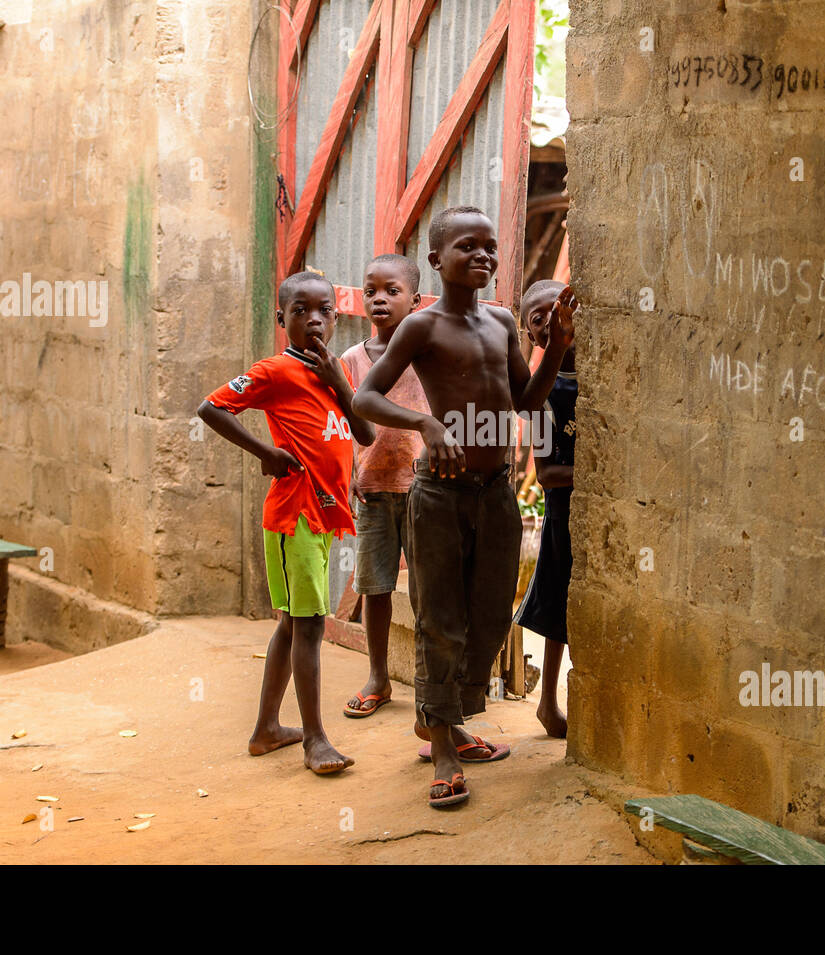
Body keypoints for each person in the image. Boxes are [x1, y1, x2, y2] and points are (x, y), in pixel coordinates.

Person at [352, 206, 576, 808]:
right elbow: (366, 396)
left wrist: (555, 348)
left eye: (490, 248)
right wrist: (427, 423)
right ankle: (444, 751)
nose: (482, 256)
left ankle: (445, 718)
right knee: (440, 618)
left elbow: (527, 401)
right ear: (436, 260)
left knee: (489, 615)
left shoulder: (503, 322)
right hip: (439, 496)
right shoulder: (422, 328)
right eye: (467, 247)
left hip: (495, 493)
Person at [197, 270, 374, 775]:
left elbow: (362, 433)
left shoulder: (336, 369)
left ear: (336, 317)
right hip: (294, 513)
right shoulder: (275, 371)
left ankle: (267, 730)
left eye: (324, 310)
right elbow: (211, 407)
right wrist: (266, 452)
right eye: (300, 311)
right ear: (282, 318)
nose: (313, 319)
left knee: (292, 623)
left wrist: (339, 381)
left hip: (323, 516)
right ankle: (315, 739)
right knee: (310, 626)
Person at [339, 253, 425, 720]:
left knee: (428, 590)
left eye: (392, 291)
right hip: (372, 490)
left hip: (422, 491)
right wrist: (347, 475)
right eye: (371, 290)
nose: (379, 299)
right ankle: (378, 676)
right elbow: (339, 425)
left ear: (414, 300)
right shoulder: (351, 360)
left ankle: (431, 682)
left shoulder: (425, 357)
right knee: (375, 587)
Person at [513, 280, 577, 739]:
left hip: (591, 509)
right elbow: (549, 474)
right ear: (532, 336)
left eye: (557, 309)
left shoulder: (604, 375)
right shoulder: (541, 394)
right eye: (538, 318)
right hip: (563, 513)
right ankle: (548, 702)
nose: (550, 319)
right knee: (557, 606)